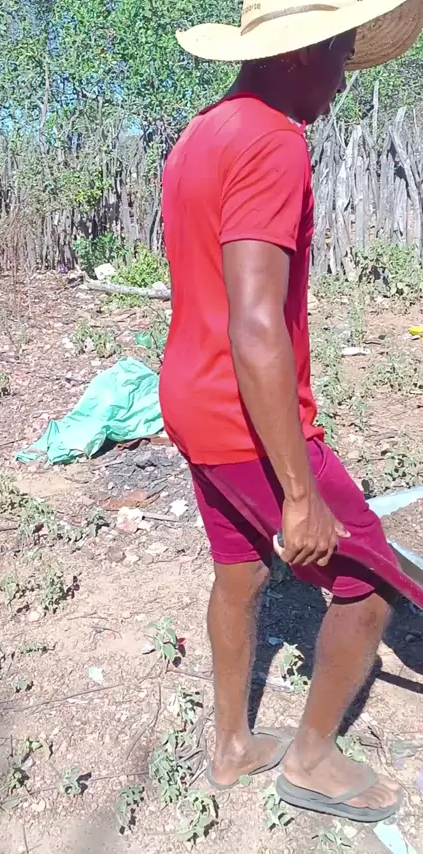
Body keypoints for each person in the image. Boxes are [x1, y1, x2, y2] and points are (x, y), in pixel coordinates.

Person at [159, 0, 423, 824]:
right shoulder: (274, 141)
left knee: (241, 573)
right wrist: (300, 493)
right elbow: (256, 322)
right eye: (340, 54)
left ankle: (232, 747)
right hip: (244, 414)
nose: (344, 77)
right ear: (295, 54)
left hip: (191, 398)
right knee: (370, 585)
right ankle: (311, 760)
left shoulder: (202, 133)